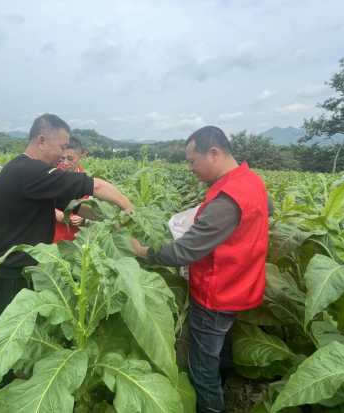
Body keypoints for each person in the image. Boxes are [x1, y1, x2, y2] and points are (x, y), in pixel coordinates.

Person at [131, 126, 273, 413]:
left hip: (216, 294)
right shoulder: (251, 180)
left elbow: (185, 250)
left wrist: (141, 251)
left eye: (192, 161)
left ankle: (212, 403)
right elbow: (265, 209)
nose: (189, 168)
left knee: (202, 372)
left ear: (214, 153)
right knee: (220, 350)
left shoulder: (228, 198)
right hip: (241, 285)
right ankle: (221, 385)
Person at [0, 113, 133, 322]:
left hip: (23, 267)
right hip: (9, 272)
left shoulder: (35, 176)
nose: (62, 156)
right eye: (61, 148)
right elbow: (95, 185)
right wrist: (127, 206)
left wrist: (110, 218)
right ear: (41, 141)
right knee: (9, 337)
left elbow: (75, 208)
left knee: (28, 332)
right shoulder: (29, 170)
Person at [53, 136, 88, 243]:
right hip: (52, 240)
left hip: (77, 241)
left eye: (70, 159)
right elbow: (38, 204)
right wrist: (54, 213)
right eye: (62, 158)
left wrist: (83, 217)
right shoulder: (51, 177)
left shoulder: (87, 182)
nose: (65, 163)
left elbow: (94, 209)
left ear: (81, 158)